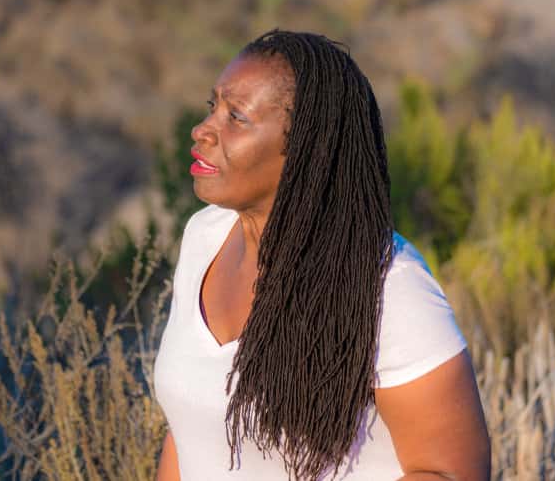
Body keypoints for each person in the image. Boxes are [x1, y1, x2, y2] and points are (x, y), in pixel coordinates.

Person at [153, 29, 490, 480]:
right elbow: (191, 431)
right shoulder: (202, 238)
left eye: (237, 117)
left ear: (306, 147)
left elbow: (449, 472)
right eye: (212, 107)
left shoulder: (387, 284)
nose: (203, 130)